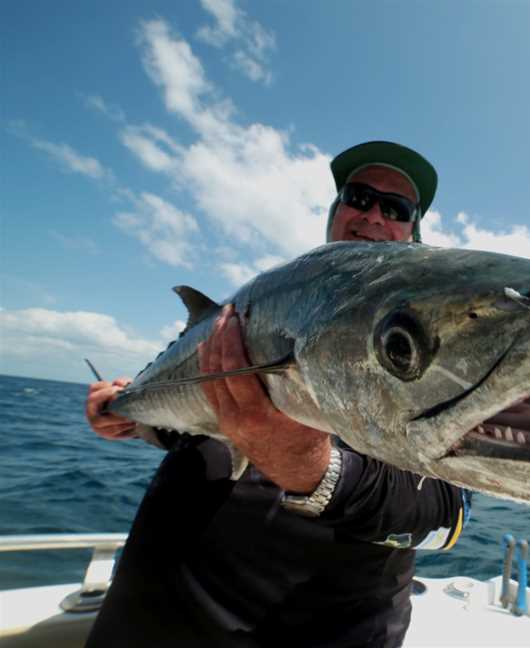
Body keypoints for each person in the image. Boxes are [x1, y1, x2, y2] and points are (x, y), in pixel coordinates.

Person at [84, 142, 469, 648]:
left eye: (396, 209)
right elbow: (188, 425)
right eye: (359, 197)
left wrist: (311, 467)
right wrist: (126, 413)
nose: (374, 214)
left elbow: (444, 522)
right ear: (335, 213)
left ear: (413, 235)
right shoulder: (251, 314)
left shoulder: (435, 353)